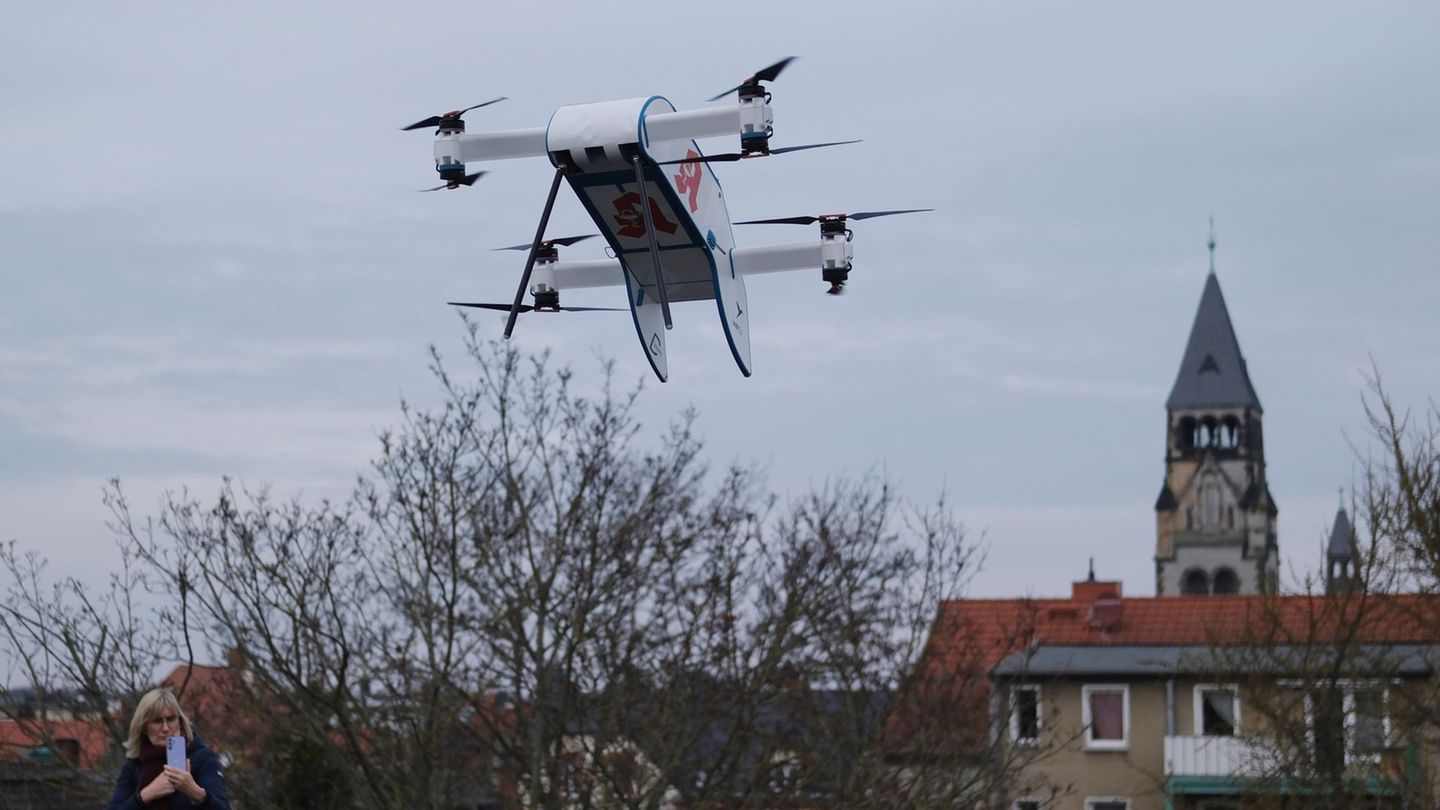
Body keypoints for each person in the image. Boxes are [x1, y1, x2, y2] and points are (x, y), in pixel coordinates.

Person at [105, 687, 231, 809]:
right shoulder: (135, 765)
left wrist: (194, 792)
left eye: (171, 719)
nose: (165, 728)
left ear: (180, 722)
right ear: (144, 727)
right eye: (157, 721)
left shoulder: (202, 758)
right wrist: (145, 795)